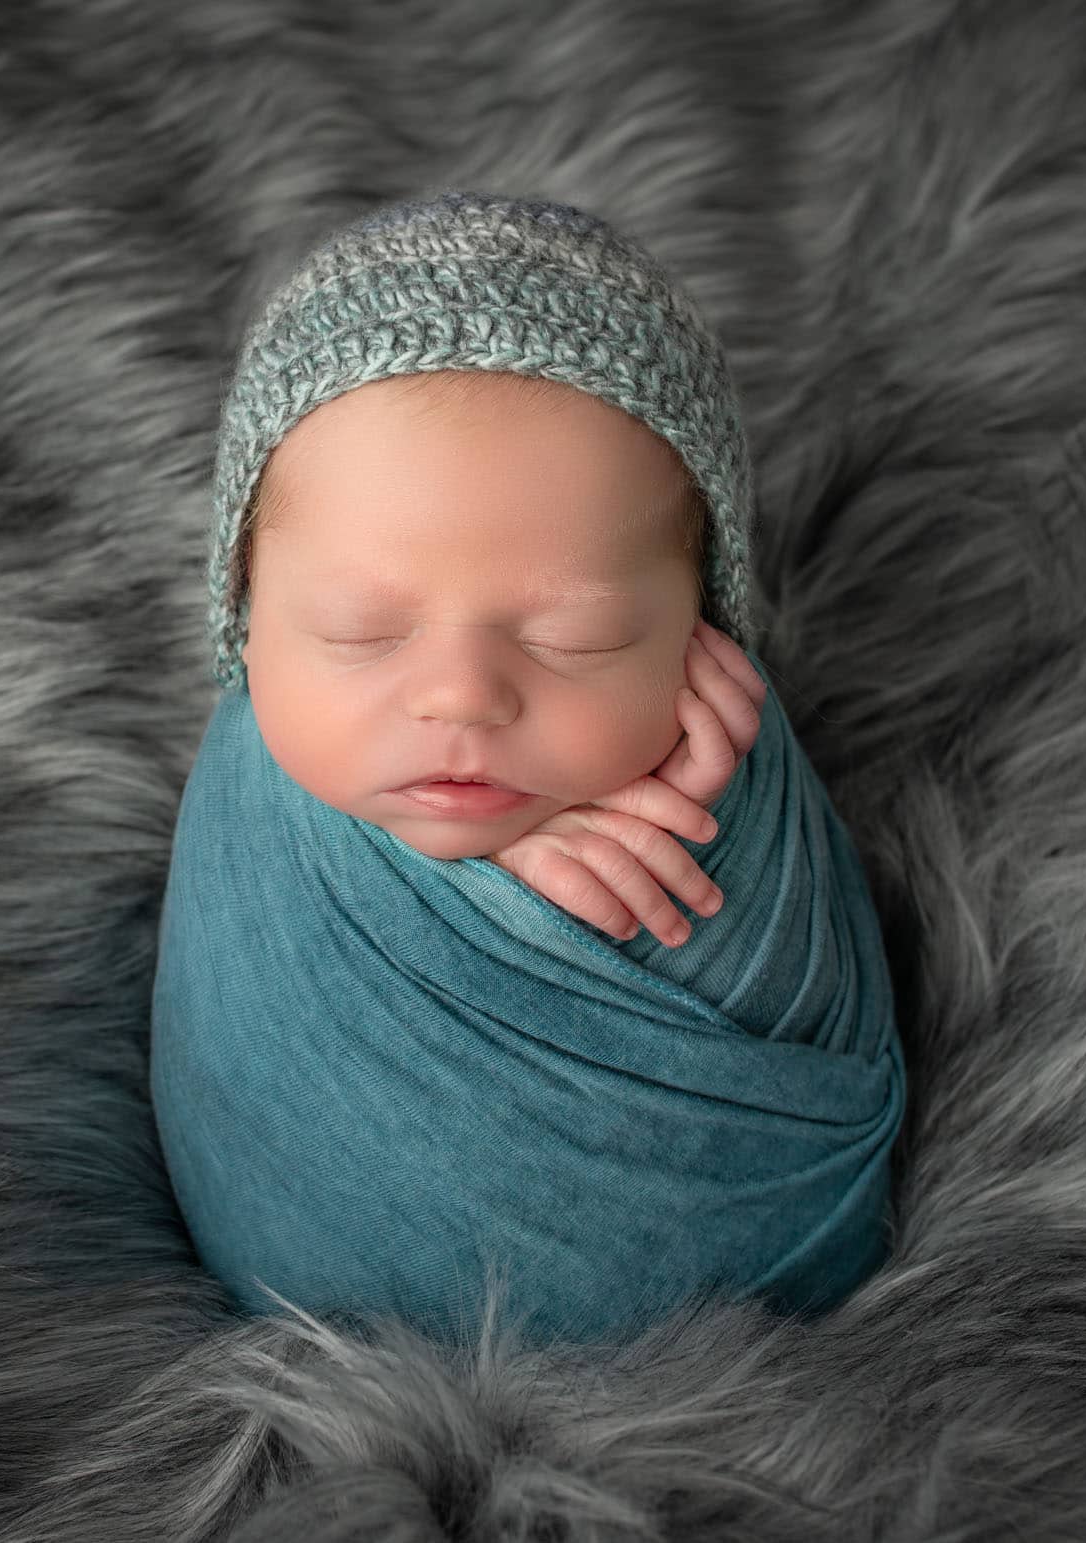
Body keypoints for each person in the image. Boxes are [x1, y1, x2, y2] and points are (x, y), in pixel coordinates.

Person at [154, 191, 905, 1347]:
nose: (460, 697)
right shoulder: (260, 769)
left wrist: (698, 831)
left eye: (579, 638)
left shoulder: (730, 785)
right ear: (246, 620)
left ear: (704, 633)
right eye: (359, 629)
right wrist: (488, 874)